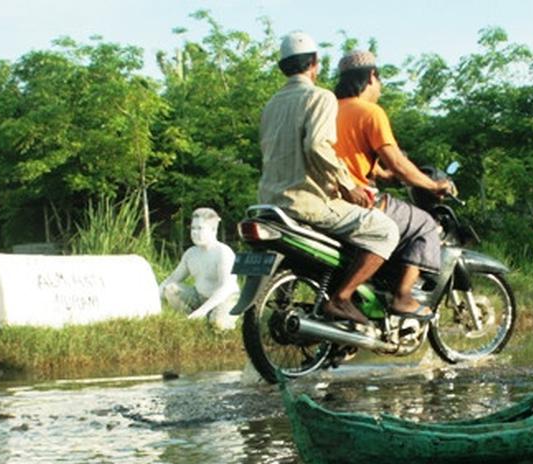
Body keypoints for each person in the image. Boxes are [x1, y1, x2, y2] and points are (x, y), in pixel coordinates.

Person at [259, 31, 400, 326]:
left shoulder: (271, 105)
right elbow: (317, 146)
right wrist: (348, 185)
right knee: (385, 231)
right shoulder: (319, 96)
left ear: (282, 66)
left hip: (271, 202)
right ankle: (341, 298)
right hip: (308, 203)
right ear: (315, 63)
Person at [332, 49, 454, 318]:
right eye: (380, 81)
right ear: (372, 77)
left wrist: (383, 174)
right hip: (357, 200)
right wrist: (434, 186)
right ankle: (402, 297)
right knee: (424, 224)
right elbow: (398, 163)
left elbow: (346, 154)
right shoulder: (370, 112)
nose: (380, 88)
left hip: (328, 198)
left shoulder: (328, 108)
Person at [159, 207, 241, 330]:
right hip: (200, 296)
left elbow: (226, 288)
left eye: (200, 228)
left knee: (218, 324)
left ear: (213, 230)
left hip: (226, 299)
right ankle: (192, 323)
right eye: (193, 228)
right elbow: (173, 278)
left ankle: (212, 319)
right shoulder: (190, 253)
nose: (195, 233)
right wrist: (153, 298)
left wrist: (201, 311)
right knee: (170, 289)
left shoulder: (223, 253)